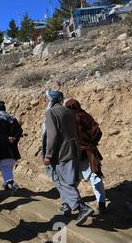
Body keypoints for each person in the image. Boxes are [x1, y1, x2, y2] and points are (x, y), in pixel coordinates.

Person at [43, 90, 94, 226]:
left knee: (60, 180)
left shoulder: (51, 112)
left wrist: (48, 155)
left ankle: (81, 207)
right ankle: (66, 206)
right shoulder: (68, 111)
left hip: (61, 152)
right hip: (73, 149)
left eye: (47, 99)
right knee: (70, 180)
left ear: (51, 100)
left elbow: (52, 136)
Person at [64, 99, 107, 213]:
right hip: (90, 151)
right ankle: (102, 203)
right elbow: (98, 132)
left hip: (77, 153)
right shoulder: (86, 116)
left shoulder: (70, 119)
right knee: (95, 177)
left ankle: (69, 203)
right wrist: (92, 143)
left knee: (73, 178)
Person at [0, 101, 23, 195]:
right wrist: (14, 138)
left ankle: (12, 183)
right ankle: (6, 183)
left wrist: (6, 138)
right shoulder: (12, 118)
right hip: (11, 148)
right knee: (8, 167)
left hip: (1, 148)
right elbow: (20, 130)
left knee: (4, 166)